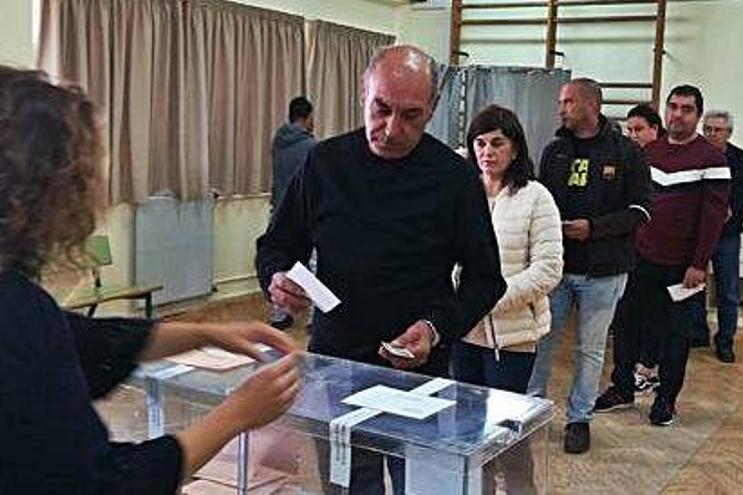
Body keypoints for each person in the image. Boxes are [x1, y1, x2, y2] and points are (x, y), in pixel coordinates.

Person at [0, 66, 300, 494]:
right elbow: (104, 484)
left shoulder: (22, 309)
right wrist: (236, 414)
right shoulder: (16, 311)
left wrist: (206, 333)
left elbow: (80, 341)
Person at [255, 45, 506, 494]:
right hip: (337, 367)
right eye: (382, 109)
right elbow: (275, 246)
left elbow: (486, 278)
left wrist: (435, 328)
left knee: (424, 487)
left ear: (431, 111)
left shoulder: (454, 177)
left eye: (410, 116)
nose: (391, 129)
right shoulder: (325, 162)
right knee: (350, 487)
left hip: (421, 373)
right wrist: (276, 280)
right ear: (363, 95)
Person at [526, 78, 652, 454]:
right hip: (557, 269)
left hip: (605, 270)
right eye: (561, 102)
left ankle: (579, 418)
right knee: (541, 342)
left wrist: (594, 229)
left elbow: (642, 211)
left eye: (567, 102)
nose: (560, 108)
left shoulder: (627, 153)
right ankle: (531, 409)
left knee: (590, 349)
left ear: (590, 105)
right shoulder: (555, 150)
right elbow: (538, 201)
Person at [594, 85, 730, 427]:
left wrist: (699, 263)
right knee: (625, 325)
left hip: (682, 267)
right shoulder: (647, 152)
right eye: (672, 107)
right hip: (638, 259)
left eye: (686, 109)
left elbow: (713, 216)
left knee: (675, 335)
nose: (677, 115)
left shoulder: (712, 158)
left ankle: (666, 399)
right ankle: (622, 388)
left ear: (697, 115)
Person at [452, 105, 562, 493]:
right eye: (479, 143)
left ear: (515, 148)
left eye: (497, 143)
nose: (487, 152)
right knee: (468, 429)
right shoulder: (463, 193)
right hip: (462, 333)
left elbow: (548, 268)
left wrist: (489, 299)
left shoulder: (536, 196)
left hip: (513, 338)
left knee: (507, 431)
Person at [694, 110, 743, 362]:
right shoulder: (694, 155)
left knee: (728, 290)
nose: (711, 134)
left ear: (729, 133)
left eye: (717, 130)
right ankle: (697, 332)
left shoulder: (741, 159)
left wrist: (734, 211)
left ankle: (725, 340)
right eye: (707, 129)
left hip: (726, 234)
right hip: (696, 232)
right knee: (693, 286)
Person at [621, 103, 666, 394]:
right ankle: (629, 370)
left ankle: (649, 367)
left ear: (655, 130)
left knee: (655, 313)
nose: (633, 135)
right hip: (632, 247)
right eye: (629, 130)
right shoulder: (629, 158)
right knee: (630, 313)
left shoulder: (660, 161)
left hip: (659, 249)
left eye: (639, 129)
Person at [268, 96, 318, 330]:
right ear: (307, 118)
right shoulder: (312, 148)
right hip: (306, 215)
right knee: (317, 267)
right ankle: (314, 319)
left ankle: (279, 315)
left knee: (281, 267)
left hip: (278, 211)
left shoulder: (277, 143)